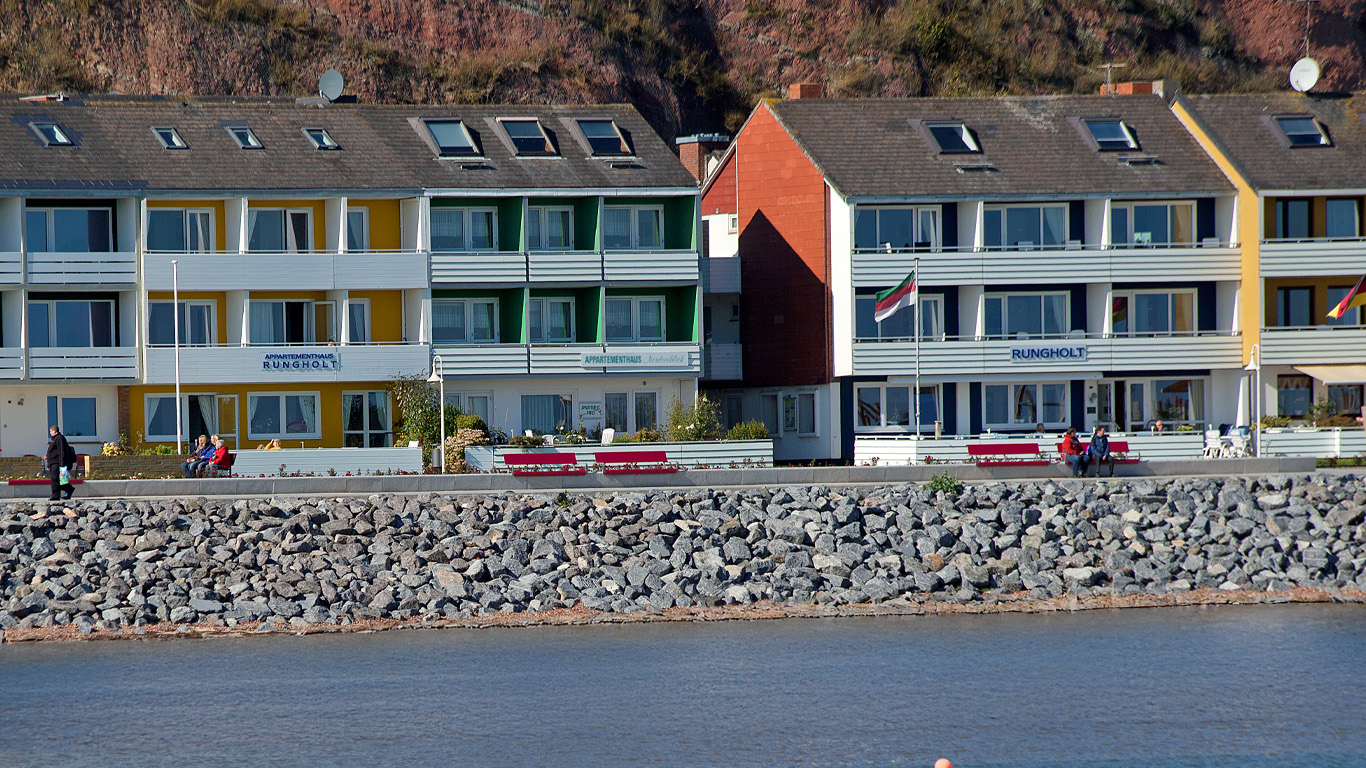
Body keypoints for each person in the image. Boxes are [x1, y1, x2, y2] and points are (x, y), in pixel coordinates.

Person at [45, 425, 76, 502]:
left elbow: (61, 451)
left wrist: (62, 464)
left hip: (57, 462)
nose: (50, 433)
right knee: (57, 479)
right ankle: (69, 489)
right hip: (53, 462)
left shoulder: (59, 438)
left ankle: (56, 495)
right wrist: (48, 458)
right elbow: (53, 452)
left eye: (51, 431)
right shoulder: (54, 439)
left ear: (55, 431)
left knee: (56, 479)